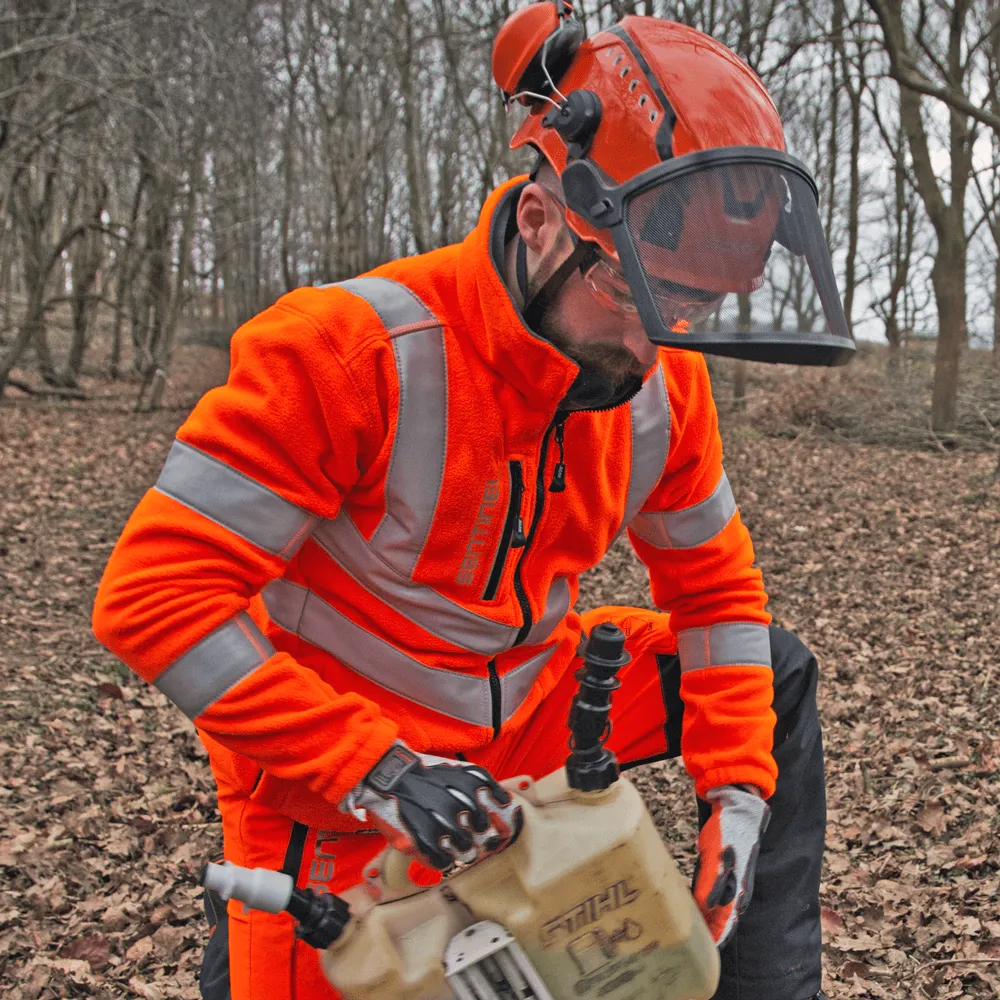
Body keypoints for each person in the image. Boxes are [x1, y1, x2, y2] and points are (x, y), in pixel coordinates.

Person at [93, 4, 853, 999]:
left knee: (770, 675)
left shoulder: (659, 383)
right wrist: (381, 772)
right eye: (631, 296)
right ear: (540, 222)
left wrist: (737, 787)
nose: (650, 346)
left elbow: (715, 592)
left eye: (688, 309)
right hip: (333, 781)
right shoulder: (349, 351)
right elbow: (153, 596)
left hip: (533, 708)